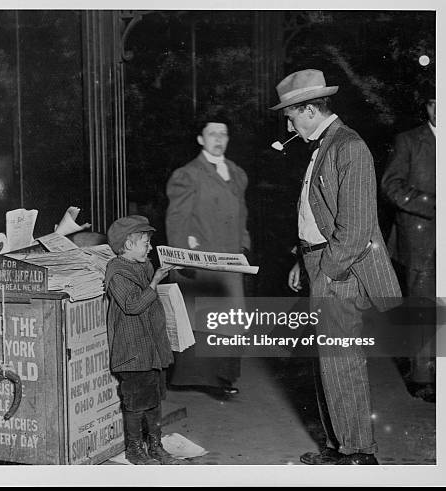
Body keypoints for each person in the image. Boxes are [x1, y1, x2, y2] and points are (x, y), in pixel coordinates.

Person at [270, 69, 401, 465]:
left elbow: (357, 226)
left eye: (290, 117)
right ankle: (338, 445)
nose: (288, 124)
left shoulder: (349, 147)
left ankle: (359, 452)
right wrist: (301, 258)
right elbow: (318, 214)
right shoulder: (323, 146)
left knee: (341, 361)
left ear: (309, 109)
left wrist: (327, 271)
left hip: (339, 270)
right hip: (318, 261)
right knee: (328, 361)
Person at [165, 114, 251, 398]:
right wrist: (183, 256)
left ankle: (224, 376)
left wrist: (245, 246)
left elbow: (242, 215)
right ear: (201, 139)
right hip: (202, 261)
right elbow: (176, 219)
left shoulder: (236, 172)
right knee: (205, 319)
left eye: (223, 133)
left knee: (231, 321)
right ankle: (209, 381)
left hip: (231, 260)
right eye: (212, 133)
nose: (218, 139)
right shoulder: (188, 174)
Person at [104, 215, 180, 465]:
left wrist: (161, 275)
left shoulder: (143, 264)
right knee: (136, 403)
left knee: (154, 398)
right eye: (145, 243)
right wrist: (156, 281)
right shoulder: (117, 272)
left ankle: (155, 446)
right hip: (133, 350)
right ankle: (135, 449)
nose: (150, 248)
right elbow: (133, 305)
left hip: (151, 347)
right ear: (127, 245)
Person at [381, 86, 436, 403]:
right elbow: (391, 185)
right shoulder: (408, 140)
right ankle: (421, 377)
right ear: (427, 107)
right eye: (435, 103)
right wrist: (433, 204)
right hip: (420, 237)